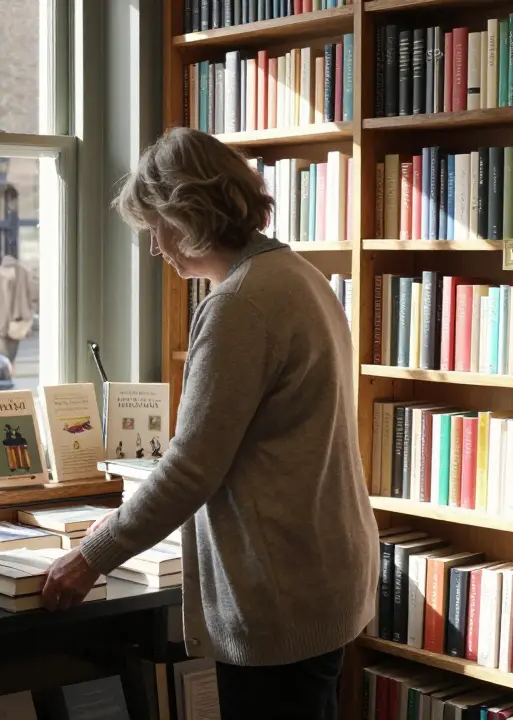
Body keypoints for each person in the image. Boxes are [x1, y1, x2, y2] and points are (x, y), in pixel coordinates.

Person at [39, 127, 379, 720]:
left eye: (156, 229)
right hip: (324, 571)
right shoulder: (300, 276)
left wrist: (91, 555)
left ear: (187, 214)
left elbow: (191, 468)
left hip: (280, 590)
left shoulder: (239, 304)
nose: (155, 250)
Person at [0, 254, 37, 362]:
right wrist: (29, 308)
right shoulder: (25, 273)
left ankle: (3, 371)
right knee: (12, 351)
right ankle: (10, 368)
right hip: (18, 320)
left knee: (0, 351)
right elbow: (34, 294)